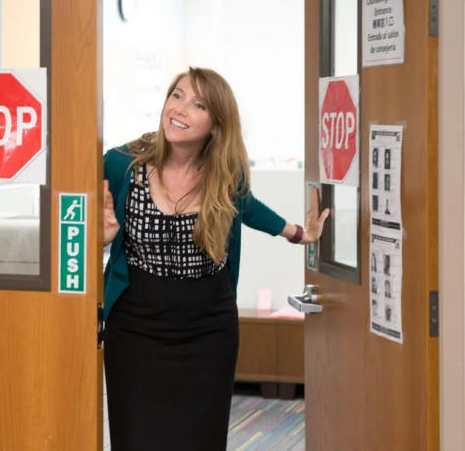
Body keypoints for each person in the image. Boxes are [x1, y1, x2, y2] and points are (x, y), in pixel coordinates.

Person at [101, 67, 329, 451]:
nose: (180, 109)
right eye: (177, 95)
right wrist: (101, 242)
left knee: (200, 439)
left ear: (216, 125)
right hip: (134, 331)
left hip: (207, 333)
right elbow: (78, 225)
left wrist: (297, 233)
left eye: (198, 104)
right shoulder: (121, 164)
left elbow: (247, 207)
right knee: (136, 438)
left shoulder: (224, 174)